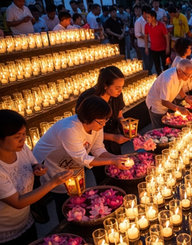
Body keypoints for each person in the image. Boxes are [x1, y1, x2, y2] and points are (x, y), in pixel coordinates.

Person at [33, 96, 130, 221]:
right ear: (88, 118)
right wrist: (112, 161)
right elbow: (83, 159)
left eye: (106, 120)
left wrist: (117, 158)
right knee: (63, 197)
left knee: (76, 193)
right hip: (50, 164)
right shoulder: (69, 129)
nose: (104, 124)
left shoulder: (97, 126)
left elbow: (98, 149)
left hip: (71, 162)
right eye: (101, 121)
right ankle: (65, 225)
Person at [0, 110, 72, 245]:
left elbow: (33, 163)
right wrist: (52, 183)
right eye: (17, 136)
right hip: (6, 233)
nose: (23, 140)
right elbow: (18, 202)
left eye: (24, 134)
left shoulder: (21, 148)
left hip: (26, 221)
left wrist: (37, 168)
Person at [75, 66, 129, 183]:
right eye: (117, 88)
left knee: (118, 170)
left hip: (114, 138)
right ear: (105, 85)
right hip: (93, 141)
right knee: (103, 176)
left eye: (121, 87)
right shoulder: (88, 99)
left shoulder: (116, 96)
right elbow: (85, 129)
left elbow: (119, 115)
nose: (120, 91)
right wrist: (113, 137)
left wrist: (127, 127)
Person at [145, 59, 192, 130]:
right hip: (156, 104)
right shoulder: (168, 79)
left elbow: (179, 86)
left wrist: (185, 97)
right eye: (188, 75)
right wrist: (179, 109)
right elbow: (164, 101)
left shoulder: (181, 74)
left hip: (166, 103)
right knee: (159, 129)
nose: (189, 77)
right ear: (180, 71)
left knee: (166, 127)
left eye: (191, 74)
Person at [144, 10, 170, 75]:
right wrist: (146, 47)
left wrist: (167, 47)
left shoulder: (161, 25)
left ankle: (166, 77)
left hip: (163, 48)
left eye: (148, 17)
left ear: (153, 17)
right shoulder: (147, 25)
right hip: (153, 49)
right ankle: (160, 77)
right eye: (146, 17)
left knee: (165, 65)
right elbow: (146, 36)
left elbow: (167, 36)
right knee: (157, 65)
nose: (147, 19)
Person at [136, 6, 152, 74]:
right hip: (143, 45)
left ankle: (149, 72)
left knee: (151, 61)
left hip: (151, 44)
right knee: (146, 62)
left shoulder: (149, 20)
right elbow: (137, 34)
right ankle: (147, 75)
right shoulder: (139, 21)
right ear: (144, 13)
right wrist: (146, 38)